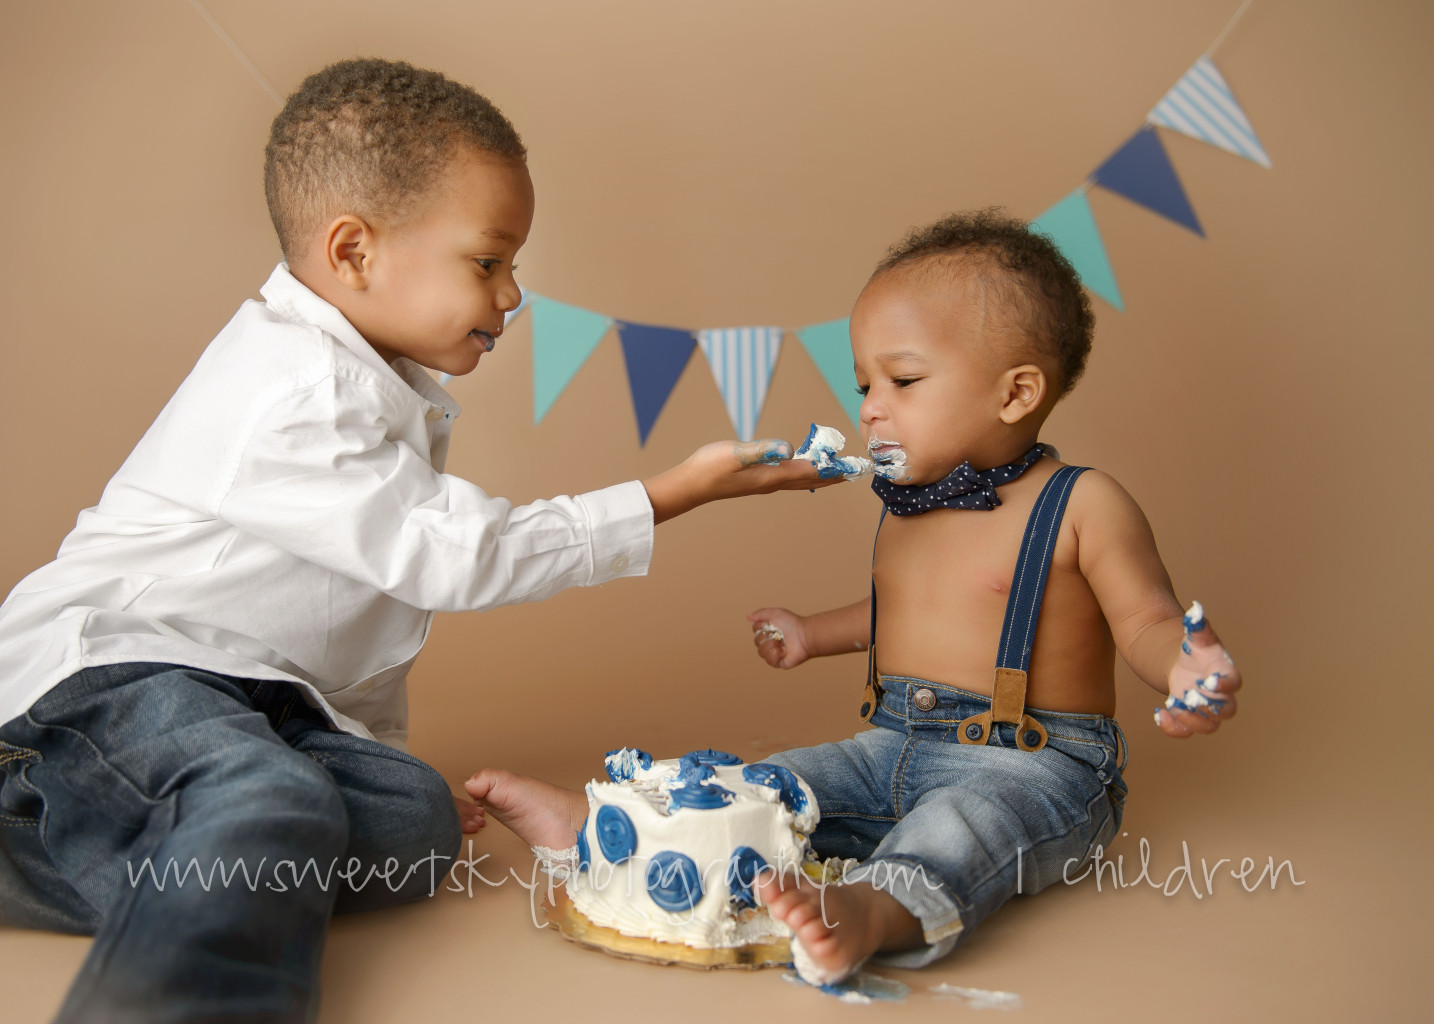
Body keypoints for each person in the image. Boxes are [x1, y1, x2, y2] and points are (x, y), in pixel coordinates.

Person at [0, 58, 827, 1022]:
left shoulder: (372, 384)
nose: (513, 294)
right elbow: (451, 556)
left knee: (408, 823)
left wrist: (364, 754)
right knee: (266, 807)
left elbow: (352, 628)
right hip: (118, 677)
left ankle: (99, 841)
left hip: (256, 698)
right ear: (353, 252)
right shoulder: (294, 390)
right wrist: (671, 493)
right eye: (488, 261)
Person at [466, 208, 1243, 985]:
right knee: (778, 784)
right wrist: (811, 633)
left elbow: (1143, 619)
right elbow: (898, 615)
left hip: (1035, 765)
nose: (870, 406)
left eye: (902, 381)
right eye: (864, 383)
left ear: (1015, 394)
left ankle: (873, 913)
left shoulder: (1084, 504)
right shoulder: (909, 506)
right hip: (889, 745)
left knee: (962, 827)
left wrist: (1184, 669)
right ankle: (607, 828)